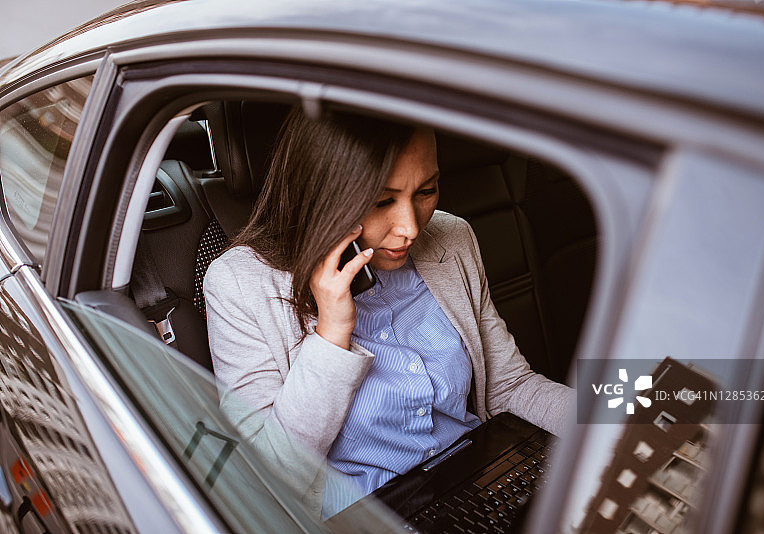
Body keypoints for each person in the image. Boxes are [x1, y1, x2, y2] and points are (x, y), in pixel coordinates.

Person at [204, 107, 574, 515]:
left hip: (480, 484)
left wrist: (630, 418)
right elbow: (267, 478)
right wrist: (332, 334)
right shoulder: (240, 283)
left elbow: (511, 387)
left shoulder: (452, 238)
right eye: (382, 201)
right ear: (319, 193)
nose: (411, 228)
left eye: (426, 191)